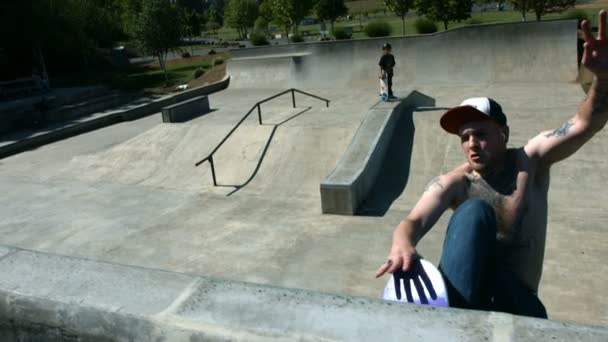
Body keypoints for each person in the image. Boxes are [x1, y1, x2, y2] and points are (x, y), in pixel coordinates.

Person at [375, 10, 608, 318]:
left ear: (504, 134)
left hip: (518, 303)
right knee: (473, 212)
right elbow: (413, 222)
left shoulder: (531, 161)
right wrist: (402, 244)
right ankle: (454, 325)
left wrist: (603, 79)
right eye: (465, 136)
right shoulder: (456, 183)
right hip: (466, 298)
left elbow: (584, 123)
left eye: (481, 134)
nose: (471, 143)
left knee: (475, 213)